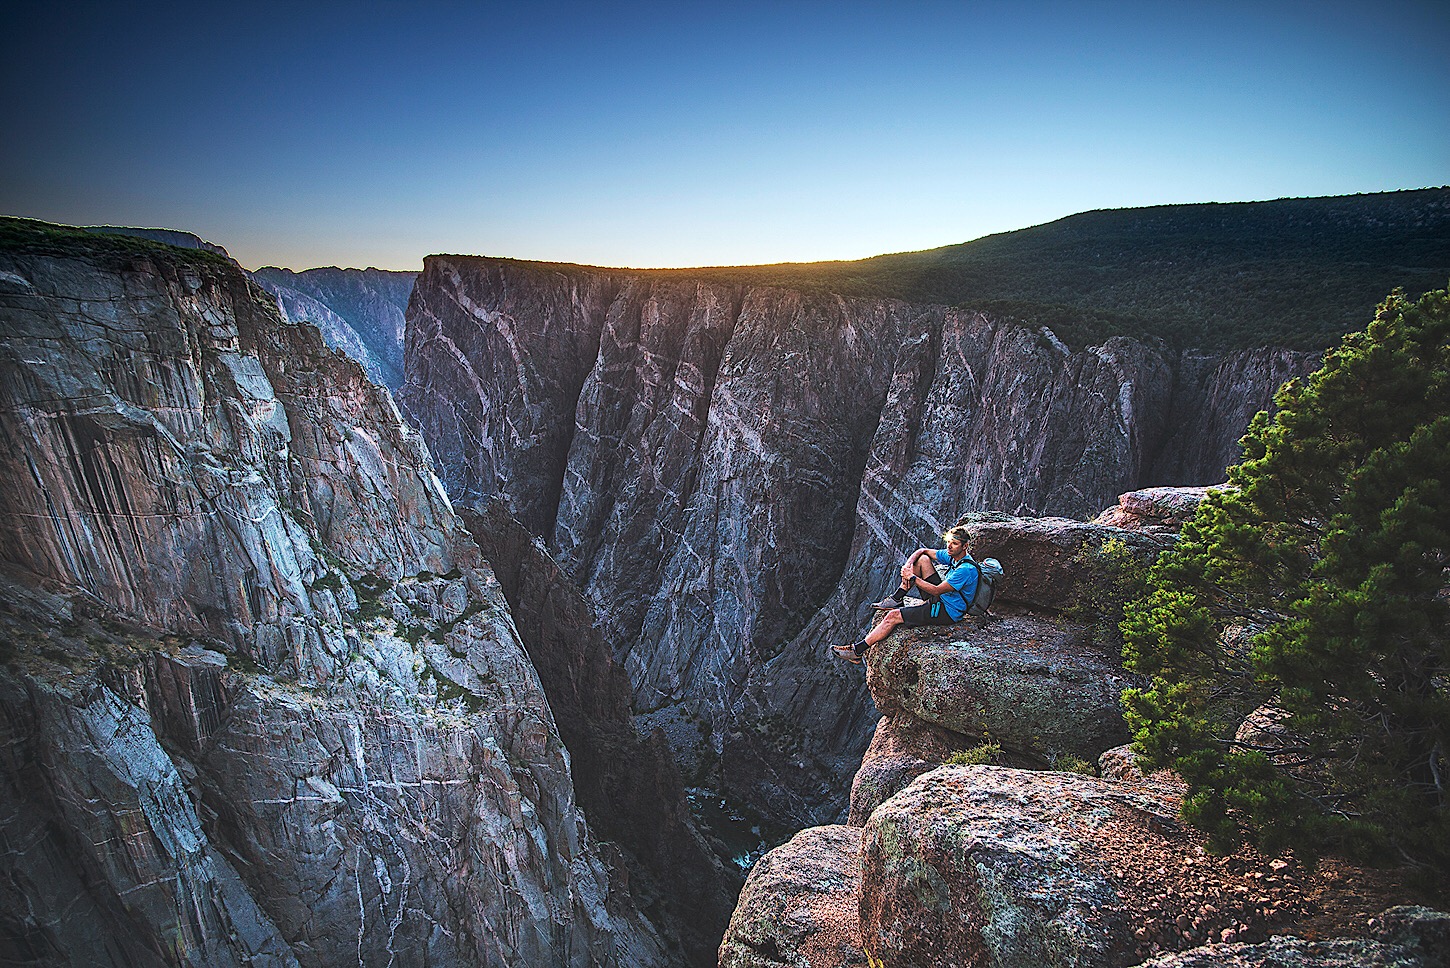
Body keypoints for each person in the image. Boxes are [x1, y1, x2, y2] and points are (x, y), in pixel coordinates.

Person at [832, 526, 979, 664]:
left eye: (954, 543)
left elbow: (937, 590)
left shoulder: (965, 570)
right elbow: (923, 551)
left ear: (964, 546)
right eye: (948, 542)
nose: (949, 546)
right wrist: (909, 564)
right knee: (922, 561)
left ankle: (857, 651)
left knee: (892, 617)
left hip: (947, 610)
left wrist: (912, 577)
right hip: (944, 599)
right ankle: (897, 598)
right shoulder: (954, 557)